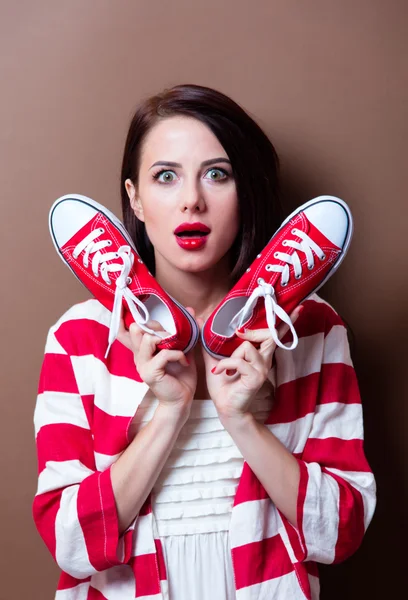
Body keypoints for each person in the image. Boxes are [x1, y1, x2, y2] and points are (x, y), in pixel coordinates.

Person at [33, 84, 376, 600]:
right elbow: (71, 546)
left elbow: (341, 533)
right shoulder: (79, 337)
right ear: (136, 201)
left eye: (218, 174)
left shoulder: (309, 327)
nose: (192, 199)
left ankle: (254, 300)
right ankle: (143, 301)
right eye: (165, 177)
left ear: (246, 193)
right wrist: (167, 413)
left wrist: (241, 420)